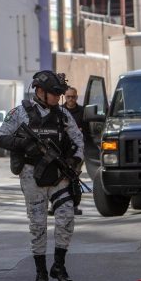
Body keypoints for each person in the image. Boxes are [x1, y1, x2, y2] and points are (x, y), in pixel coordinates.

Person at [0, 71, 84, 281]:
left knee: (66, 218)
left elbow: (78, 141)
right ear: (40, 91)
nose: (58, 98)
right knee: (37, 224)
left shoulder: (63, 115)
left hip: (58, 175)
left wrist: (74, 161)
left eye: (60, 94)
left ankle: (59, 265)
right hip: (31, 174)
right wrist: (24, 144)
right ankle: (41, 272)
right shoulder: (19, 113)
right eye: (54, 93)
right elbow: (1, 137)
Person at [61, 87, 85, 216]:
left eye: (73, 97)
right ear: (65, 96)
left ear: (76, 97)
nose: (71, 99)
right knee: (58, 178)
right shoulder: (59, 111)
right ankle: (57, 205)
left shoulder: (82, 111)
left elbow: (88, 130)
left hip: (76, 151)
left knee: (73, 178)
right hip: (61, 150)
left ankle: (74, 205)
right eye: (68, 96)